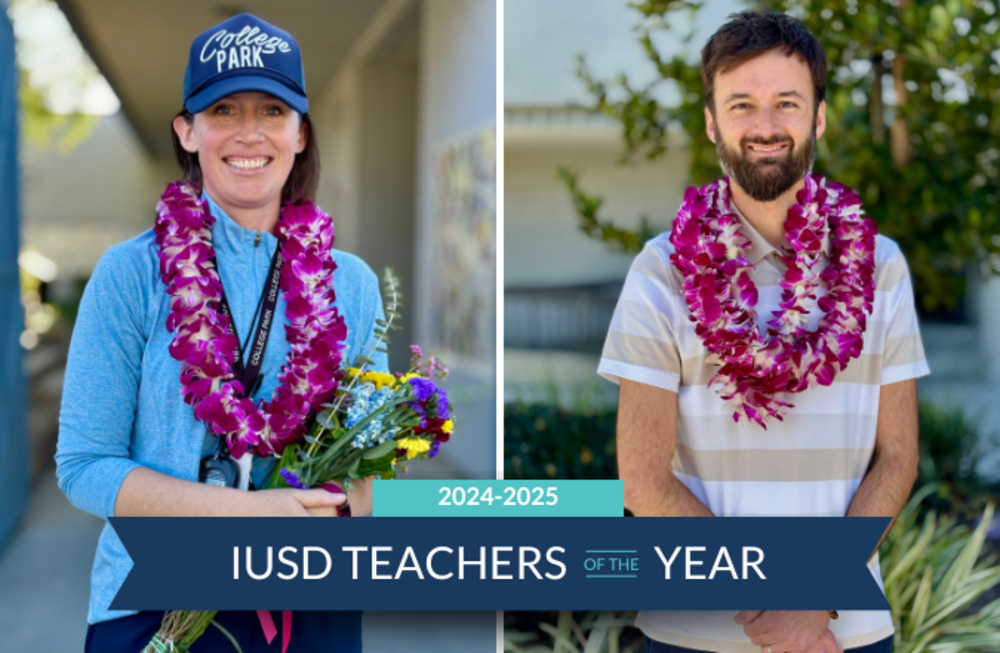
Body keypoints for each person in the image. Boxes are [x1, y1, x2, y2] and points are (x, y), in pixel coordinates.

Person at [598, 12, 928, 653]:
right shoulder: (661, 270)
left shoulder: (881, 265)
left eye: (787, 103)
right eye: (742, 104)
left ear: (819, 118)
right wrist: (773, 597)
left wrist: (815, 598)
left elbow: (897, 456)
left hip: (846, 631)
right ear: (712, 123)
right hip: (693, 632)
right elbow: (641, 477)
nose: (766, 126)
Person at [55, 13, 384, 652]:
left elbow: (371, 468)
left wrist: (350, 504)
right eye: (225, 110)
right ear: (189, 130)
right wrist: (248, 513)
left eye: (272, 110)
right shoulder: (132, 274)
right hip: (156, 605)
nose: (249, 133)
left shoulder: (352, 284)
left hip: (310, 604)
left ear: (299, 131)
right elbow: (85, 467)